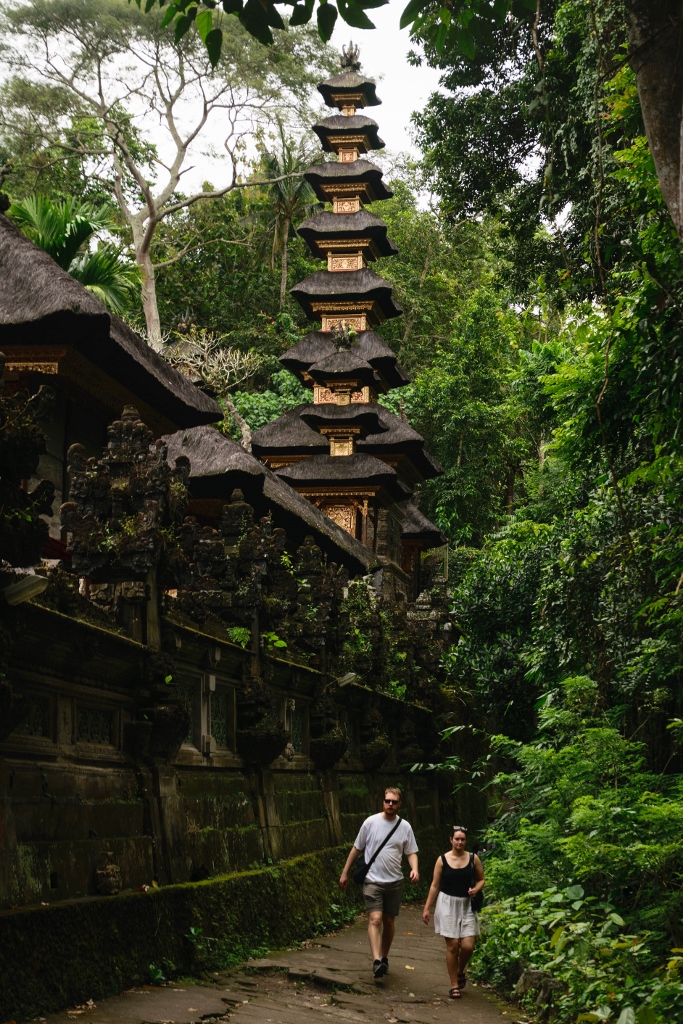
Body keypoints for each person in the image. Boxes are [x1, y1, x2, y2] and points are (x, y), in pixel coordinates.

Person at [339, 786, 419, 978]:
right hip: (373, 879)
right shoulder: (370, 822)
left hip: (394, 880)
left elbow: (411, 852)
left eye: (393, 802)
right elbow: (357, 848)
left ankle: (384, 957)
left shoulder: (405, 827)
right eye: (387, 801)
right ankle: (376, 961)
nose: (390, 805)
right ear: (382, 802)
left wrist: (414, 869)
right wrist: (345, 873)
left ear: (399, 804)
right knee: (375, 919)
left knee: (389, 921)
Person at [422, 825, 485, 999]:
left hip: (467, 905)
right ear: (451, 840)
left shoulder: (474, 859)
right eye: (456, 839)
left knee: (467, 946)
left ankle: (459, 970)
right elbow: (435, 885)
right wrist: (427, 907)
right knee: (452, 946)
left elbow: (482, 880)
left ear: (466, 841)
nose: (459, 842)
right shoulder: (442, 860)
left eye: (462, 839)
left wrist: (476, 890)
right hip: (447, 904)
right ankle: (454, 985)